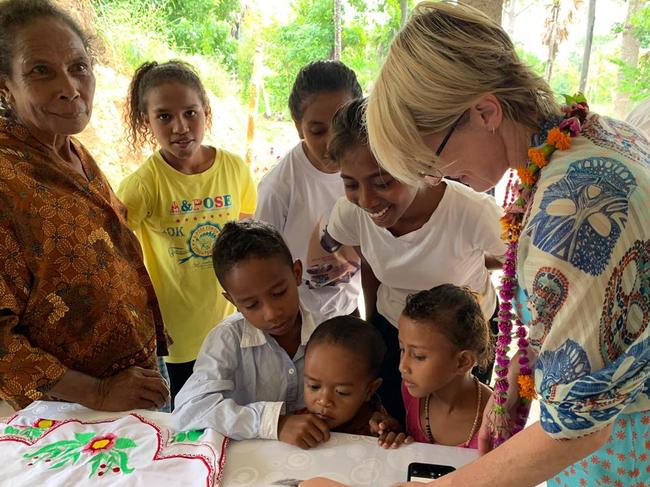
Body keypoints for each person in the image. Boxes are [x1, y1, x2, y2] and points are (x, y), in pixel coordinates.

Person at [364, 2, 649, 486]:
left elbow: (578, 430)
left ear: (485, 111)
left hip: (627, 448)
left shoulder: (574, 203)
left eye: (433, 160)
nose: (440, 178)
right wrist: (513, 385)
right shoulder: (591, 136)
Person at [0, 0, 169, 412]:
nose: (70, 88)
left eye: (78, 66)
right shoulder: (6, 180)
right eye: (41, 71)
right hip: (75, 416)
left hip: (135, 385)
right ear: (5, 87)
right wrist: (96, 393)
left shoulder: (73, 153)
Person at [325, 98, 504, 423]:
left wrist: (475, 299)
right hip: (394, 329)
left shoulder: (472, 212)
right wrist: (373, 326)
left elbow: (523, 261)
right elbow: (369, 264)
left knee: (460, 426)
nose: (366, 200)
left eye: (382, 182)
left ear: (417, 166)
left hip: (463, 339)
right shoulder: (352, 213)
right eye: (351, 184)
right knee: (398, 424)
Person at [117, 60, 257, 406]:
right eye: (164, 116)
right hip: (179, 336)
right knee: (191, 418)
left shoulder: (235, 169)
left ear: (206, 111)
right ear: (146, 122)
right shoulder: (144, 184)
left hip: (233, 324)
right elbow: (113, 250)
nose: (180, 127)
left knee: (236, 409)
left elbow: (245, 240)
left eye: (190, 113)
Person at [172, 220, 332, 449]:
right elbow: (189, 410)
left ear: (297, 273)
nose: (271, 313)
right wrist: (272, 423)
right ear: (233, 302)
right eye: (251, 304)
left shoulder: (326, 332)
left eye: (278, 292)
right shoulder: (227, 339)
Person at [255, 61, 362, 323]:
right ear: (297, 127)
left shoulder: (367, 170)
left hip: (350, 308)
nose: (331, 142)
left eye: (341, 125)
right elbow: (260, 266)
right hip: (301, 318)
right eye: (317, 131)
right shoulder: (278, 188)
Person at [397, 285, 492, 450]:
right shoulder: (412, 393)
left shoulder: (494, 418)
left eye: (419, 356)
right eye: (402, 349)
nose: (402, 367)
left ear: (462, 362)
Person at [300, 315, 411, 447]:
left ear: (370, 390)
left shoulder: (378, 431)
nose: (324, 401)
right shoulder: (298, 423)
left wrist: (393, 437)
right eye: (314, 386)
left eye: (342, 392)